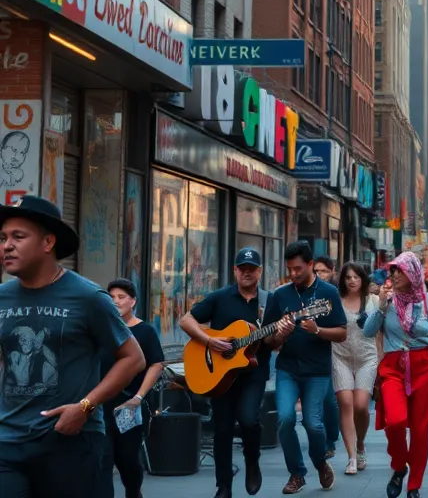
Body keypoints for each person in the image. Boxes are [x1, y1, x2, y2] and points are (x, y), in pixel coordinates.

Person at [0, 196, 145, 497]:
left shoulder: (88, 297)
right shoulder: (3, 297)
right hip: (8, 444)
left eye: (18, 236)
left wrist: (85, 407)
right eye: (2, 238)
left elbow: (133, 358)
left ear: (47, 242)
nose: (6, 246)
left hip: (70, 442)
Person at [180, 247, 273, 498]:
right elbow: (185, 321)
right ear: (234, 270)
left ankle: (252, 460)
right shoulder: (219, 297)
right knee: (222, 429)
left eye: (251, 269)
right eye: (242, 268)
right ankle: (224, 486)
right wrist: (209, 341)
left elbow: (275, 342)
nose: (246, 273)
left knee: (249, 420)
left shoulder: (268, 301)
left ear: (260, 272)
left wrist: (281, 333)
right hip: (220, 375)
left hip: (253, 373)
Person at [363, 251, 428, 498]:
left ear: (412, 273)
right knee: (395, 421)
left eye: (399, 270)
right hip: (393, 367)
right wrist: (381, 307)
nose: (393, 275)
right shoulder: (387, 301)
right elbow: (368, 332)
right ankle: (399, 466)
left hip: (424, 366)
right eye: (392, 271)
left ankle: (414, 485)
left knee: (421, 430)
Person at [263, 241, 347, 495]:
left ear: (310, 265)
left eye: (298, 268)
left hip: (317, 371)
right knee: (285, 418)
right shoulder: (280, 295)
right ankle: (296, 474)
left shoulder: (329, 293)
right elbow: (267, 340)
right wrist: (280, 336)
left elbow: (342, 333)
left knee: (313, 424)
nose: (293, 274)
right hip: (287, 368)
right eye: (289, 269)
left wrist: (317, 329)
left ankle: (320, 462)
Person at [99, 278, 165, 498]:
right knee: (103, 459)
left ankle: (134, 491)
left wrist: (138, 396)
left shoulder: (145, 331)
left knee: (127, 459)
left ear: (133, 301)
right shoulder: (101, 329)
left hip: (129, 404)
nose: (116, 302)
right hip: (100, 405)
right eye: (111, 297)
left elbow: (156, 364)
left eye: (121, 297)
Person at [332, 262, 379, 475]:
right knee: (345, 403)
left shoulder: (374, 301)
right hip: (339, 356)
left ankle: (360, 443)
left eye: (356, 277)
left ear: (363, 279)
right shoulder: (335, 301)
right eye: (348, 277)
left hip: (367, 357)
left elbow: (381, 333)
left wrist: (384, 360)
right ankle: (351, 457)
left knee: (361, 405)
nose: (352, 280)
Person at [312, 256, 341, 459]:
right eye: (316, 271)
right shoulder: (310, 292)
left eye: (322, 271)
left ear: (332, 271)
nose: (319, 275)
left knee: (330, 401)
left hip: (338, 351)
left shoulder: (335, 293)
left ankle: (331, 437)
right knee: (322, 398)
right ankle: (323, 439)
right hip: (316, 353)